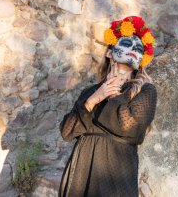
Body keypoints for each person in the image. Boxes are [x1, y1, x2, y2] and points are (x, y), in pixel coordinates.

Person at [58, 15, 158, 197]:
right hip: (81, 176)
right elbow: (67, 132)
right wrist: (93, 100)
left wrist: (113, 94)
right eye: (126, 44)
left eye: (137, 48)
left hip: (116, 179)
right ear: (109, 53)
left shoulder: (145, 91)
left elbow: (127, 126)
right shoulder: (92, 92)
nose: (132, 51)